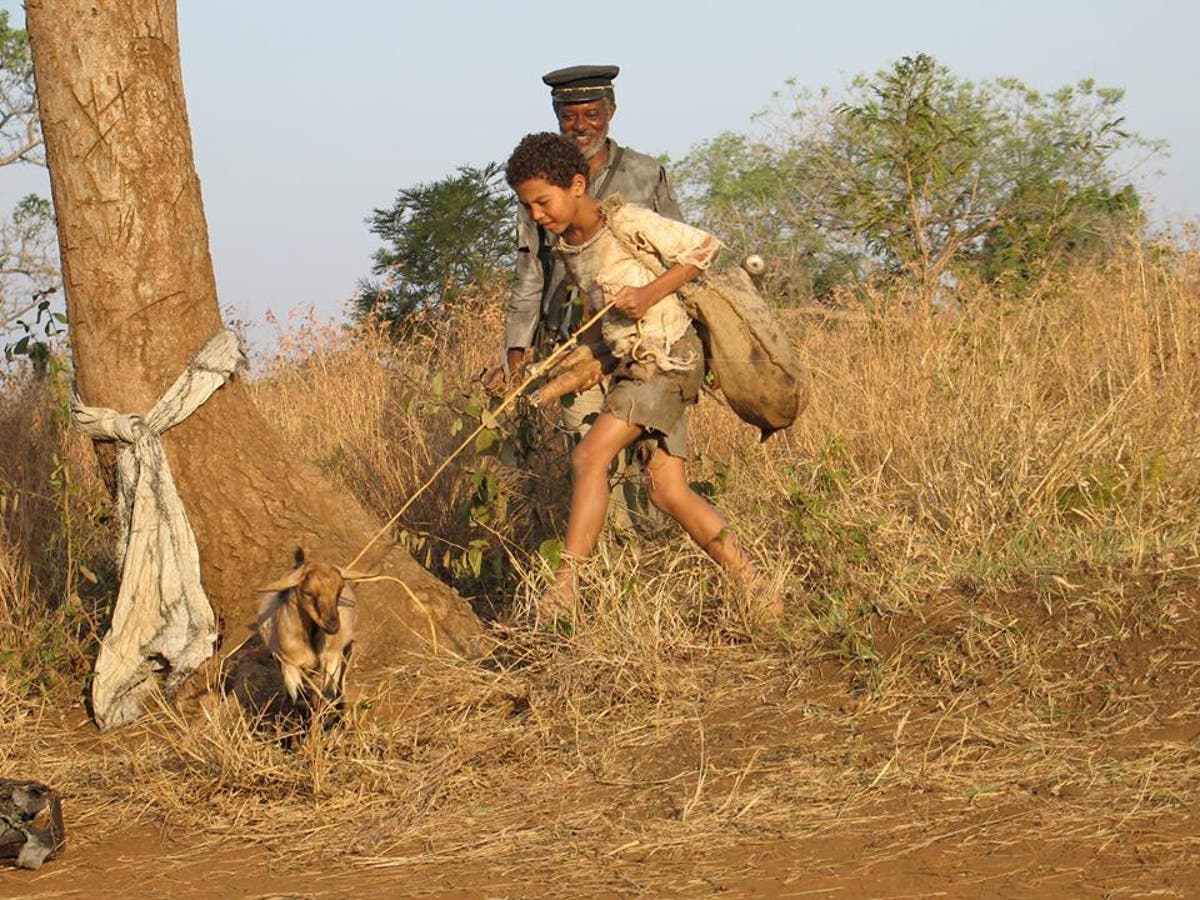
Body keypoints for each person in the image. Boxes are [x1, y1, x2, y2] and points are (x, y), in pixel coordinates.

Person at [503, 132, 780, 625]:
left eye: (543, 203)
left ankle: (566, 586)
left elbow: (703, 246)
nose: (538, 216)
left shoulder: (625, 220)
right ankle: (757, 587)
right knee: (667, 492)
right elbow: (605, 322)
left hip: (668, 360)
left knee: (590, 455)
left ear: (576, 185)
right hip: (635, 364)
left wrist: (651, 293)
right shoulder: (570, 247)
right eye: (529, 208)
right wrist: (565, 366)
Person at [500, 65, 683, 528]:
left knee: (657, 465)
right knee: (589, 459)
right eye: (569, 115)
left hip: (646, 342)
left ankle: (653, 558)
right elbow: (529, 272)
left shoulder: (645, 173)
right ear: (556, 115)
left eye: (591, 115)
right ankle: (608, 565)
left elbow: (683, 255)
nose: (580, 126)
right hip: (572, 343)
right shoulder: (538, 187)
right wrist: (517, 351)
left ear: (611, 113)